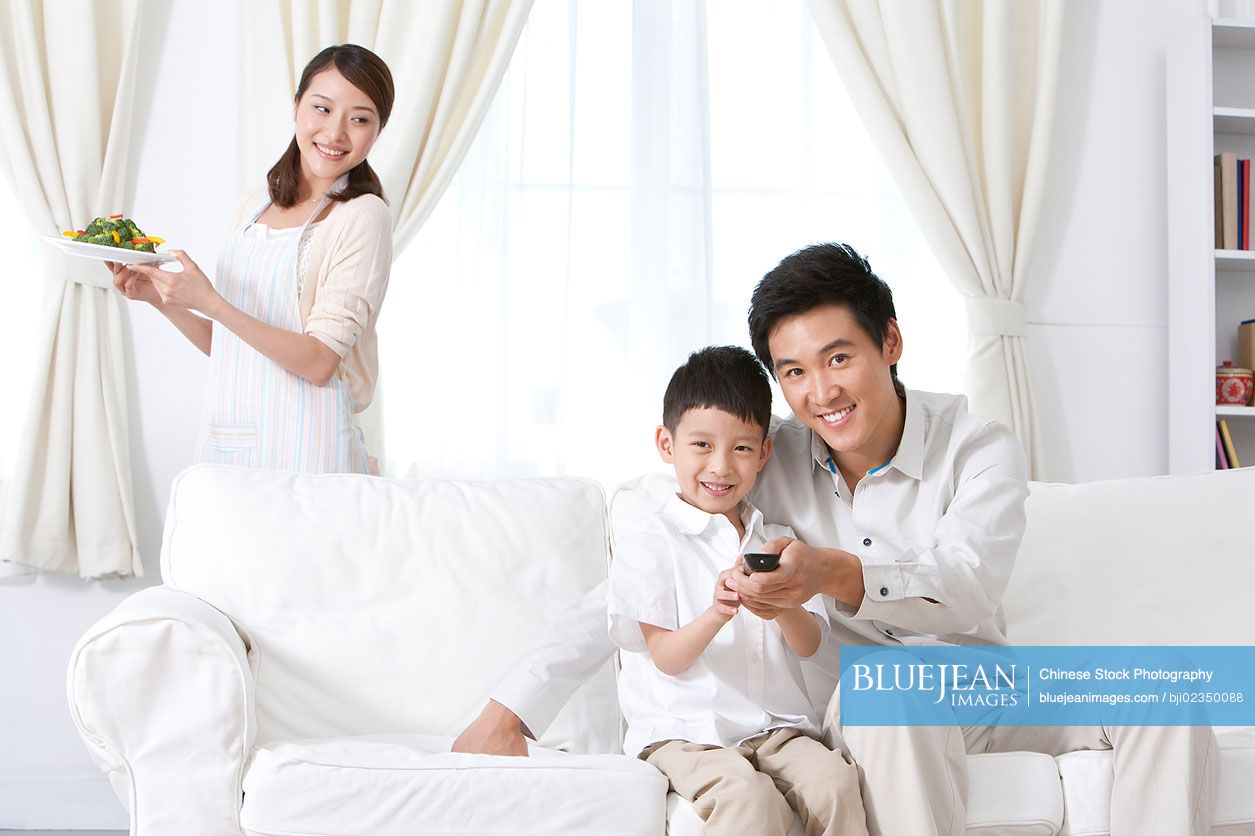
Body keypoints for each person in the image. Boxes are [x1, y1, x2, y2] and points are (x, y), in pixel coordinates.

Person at [454, 242, 1220, 836]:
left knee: (1167, 683)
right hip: (861, 698)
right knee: (894, 692)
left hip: (982, 684)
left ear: (889, 341)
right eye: (792, 372)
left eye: (838, 358)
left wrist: (833, 571)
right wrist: (511, 710)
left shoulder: (976, 447)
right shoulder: (763, 456)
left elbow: (964, 586)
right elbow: (645, 578)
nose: (818, 392)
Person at [609, 345, 867, 836]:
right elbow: (665, 656)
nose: (722, 467)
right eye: (701, 445)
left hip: (774, 728)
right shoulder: (650, 542)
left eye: (742, 448)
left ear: (764, 453)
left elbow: (810, 644)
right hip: (686, 734)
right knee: (748, 798)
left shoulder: (779, 539)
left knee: (834, 782)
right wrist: (716, 613)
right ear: (667, 444)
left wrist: (782, 605)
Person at [111, 44, 394, 474]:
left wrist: (209, 301)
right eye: (322, 108)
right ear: (297, 105)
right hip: (232, 444)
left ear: (378, 130)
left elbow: (319, 362)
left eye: (359, 118)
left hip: (313, 457)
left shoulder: (363, 215)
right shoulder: (252, 208)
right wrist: (158, 298)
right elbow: (232, 347)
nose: (335, 133)